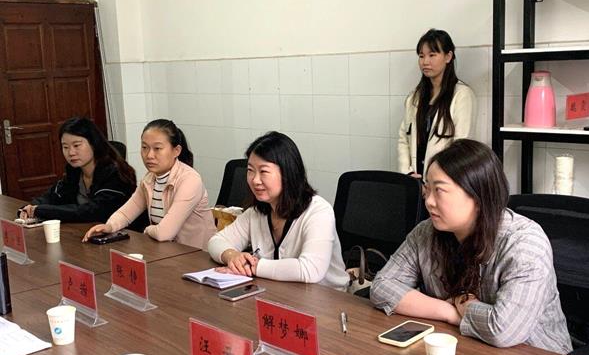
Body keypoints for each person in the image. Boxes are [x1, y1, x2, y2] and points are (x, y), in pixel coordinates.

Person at [371, 139, 572, 355]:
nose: (428, 201)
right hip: (467, 349)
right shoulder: (426, 232)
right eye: (427, 189)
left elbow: (503, 330)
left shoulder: (524, 243)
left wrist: (464, 306)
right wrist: (448, 312)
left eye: (439, 190)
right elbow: (382, 287)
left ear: (477, 195)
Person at [207, 131, 348, 291]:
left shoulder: (318, 211)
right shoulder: (257, 212)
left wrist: (252, 266)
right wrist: (232, 256)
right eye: (250, 170)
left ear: (287, 173)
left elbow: (310, 270)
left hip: (327, 298)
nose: (255, 180)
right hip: (279, 293)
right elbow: (216, 241)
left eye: (264, 172)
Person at [83, 119, 216, 250]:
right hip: (168, 251)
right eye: (144, 147)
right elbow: (126, 213)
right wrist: (109, 226)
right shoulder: (149, 179)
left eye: (157, 148)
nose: (149, 155)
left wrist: (147, 230)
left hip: (197, 255)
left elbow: (164, 233)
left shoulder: (190, 180)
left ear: (176, 151)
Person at [18, 117, 137, 222]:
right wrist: (29, 207)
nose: (71, 152)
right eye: (65, 147)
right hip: (85, 231)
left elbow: (94, 211)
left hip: (124, 233)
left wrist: (41, 210)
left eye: (76, 145)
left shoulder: (115, 173)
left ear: (93, 143)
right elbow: (53, 195)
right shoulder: (74, 171)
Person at [398, 29, 476, 178]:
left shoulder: (462, 95)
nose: (425, 62)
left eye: (432, 55)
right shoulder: (415, 97)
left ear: (448, 57)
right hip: (415, 179)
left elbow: (461, 146)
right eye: (421, 56)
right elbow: (403, 138)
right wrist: (407, 172)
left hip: (445, 180)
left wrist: (437, 181)